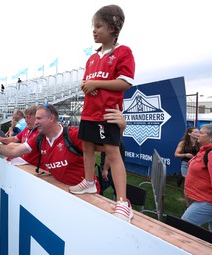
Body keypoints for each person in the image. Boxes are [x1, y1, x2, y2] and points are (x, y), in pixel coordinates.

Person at [69, 4, 135, 222]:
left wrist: (96, 82)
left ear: (113, 28)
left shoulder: (123, 52)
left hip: (108, 114)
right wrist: (88, 85)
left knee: (113, 155)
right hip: (89, 113)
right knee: (87, 149)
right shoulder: (92, 58)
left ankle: (123, 201)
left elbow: (125, 82)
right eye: (93, 27)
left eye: (99, 26)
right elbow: (87, 82)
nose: (94, 30)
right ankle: (89, 182)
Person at [0, 104, 100, 192]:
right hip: (62, 191)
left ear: (51, 118)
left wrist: (118, 127)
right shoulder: (39, 139)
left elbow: (106, 149)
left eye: (39, 119)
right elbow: (14, 151)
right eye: (35, 119)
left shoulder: (73, 134)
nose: (35, 122)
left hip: (85, 194)